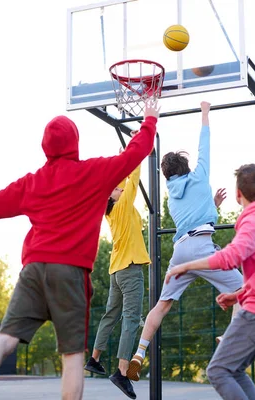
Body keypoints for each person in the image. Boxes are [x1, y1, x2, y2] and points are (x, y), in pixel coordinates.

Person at [0, 101, 160, 400]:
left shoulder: (33, 181)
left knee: (3, 341)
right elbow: (136, 152)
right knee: (72, 357)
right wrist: (150, 119)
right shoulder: (94, 172)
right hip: (69, 273)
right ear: (75, 143)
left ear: (45, 147)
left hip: (33, 271)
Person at [126, 102, 243, 382]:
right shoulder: (200, 175)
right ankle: (228, 340)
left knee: (162, 306)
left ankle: (138, 354)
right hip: (202, 247)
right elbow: (205, 144)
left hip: (181, 254)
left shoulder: (170, 193)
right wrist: (204, 111)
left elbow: (194, 214)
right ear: (187, 166)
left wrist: (211, 203)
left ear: (167, 175)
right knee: (244, 289)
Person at [165, 163, 255, 400]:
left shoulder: (252, 223)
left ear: (238, 194)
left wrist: (186, 265)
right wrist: (237, 295)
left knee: (217, 371)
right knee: (233, 370)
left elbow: (229, 257)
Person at [84, 153, 150, 399]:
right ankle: (122, 372)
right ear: (112, 196)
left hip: (116, 270)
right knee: (131, 319)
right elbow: (132, 178)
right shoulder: (122, 204)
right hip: (130, 269)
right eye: (114, 188)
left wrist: (125, 154)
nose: (118, 188)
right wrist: (139, 151)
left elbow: (123, 178)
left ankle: (94, 358)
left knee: (110, 316)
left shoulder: (111, 211)